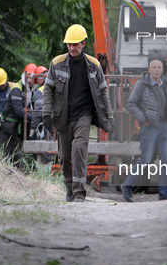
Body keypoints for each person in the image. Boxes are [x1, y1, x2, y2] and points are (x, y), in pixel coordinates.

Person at [42, 24, 114, 203]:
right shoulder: (56, 63)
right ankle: (69, 188)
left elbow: (104, 92)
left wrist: (110, 117)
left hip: (84, 115)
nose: (72, 48)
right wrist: (46, 114)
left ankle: (80, 192)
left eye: (75, 44)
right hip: (63, 117)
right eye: (69, 45)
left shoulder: (93, 65)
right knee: (65, 156)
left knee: (79, 150)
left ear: (83, 43)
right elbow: (47, 91)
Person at [121, 59, 167, 202]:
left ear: (162, 70)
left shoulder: (164, 83)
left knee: (166, 161)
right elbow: (131, 104)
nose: (157, 70)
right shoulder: (142, 84)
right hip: (149, 127)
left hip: (164, 126)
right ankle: (127, 186)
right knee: (145, 160)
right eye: (154, 68)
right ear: (149, 70)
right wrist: (143, 119)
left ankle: (164, 193)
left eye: (159, 67)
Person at [0, 63, 38, 164]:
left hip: (17, 127)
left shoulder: (29, 90)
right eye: (29, 77)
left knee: (16, 154)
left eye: (33, 78)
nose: (30, 80)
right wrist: (34, 117)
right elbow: (19, 111)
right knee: (7, 154)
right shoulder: (17, 89)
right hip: (9, 127)